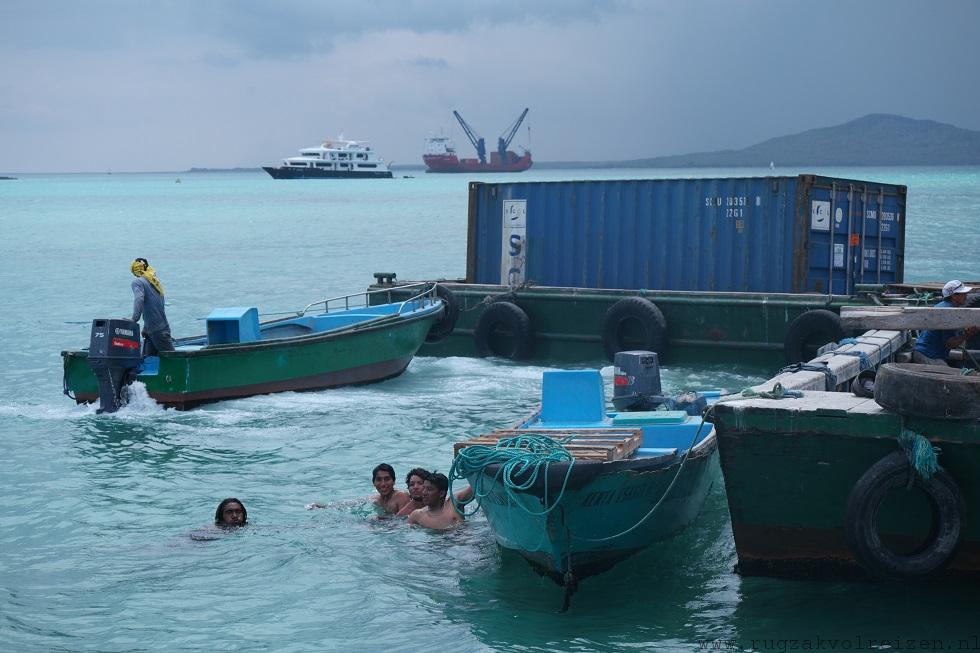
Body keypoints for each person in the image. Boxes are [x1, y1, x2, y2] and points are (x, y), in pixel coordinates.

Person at [912, 279, 978, 366]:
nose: (966, 296)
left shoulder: (943, 306)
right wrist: (967, 335)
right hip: (928, 355)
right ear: (954, 296)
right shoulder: (949, 312)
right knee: (952, 377)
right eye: (963, 293)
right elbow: (950, 343)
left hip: (923, 352)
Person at [130, 257, 175, 356]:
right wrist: (146, 327)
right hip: (157, 329)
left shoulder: (137, 282)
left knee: (174, 359)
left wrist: (134, 319)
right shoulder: (155, 283)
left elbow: (139, 299)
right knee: (147, 360)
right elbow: (155, 307)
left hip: (157, 331)